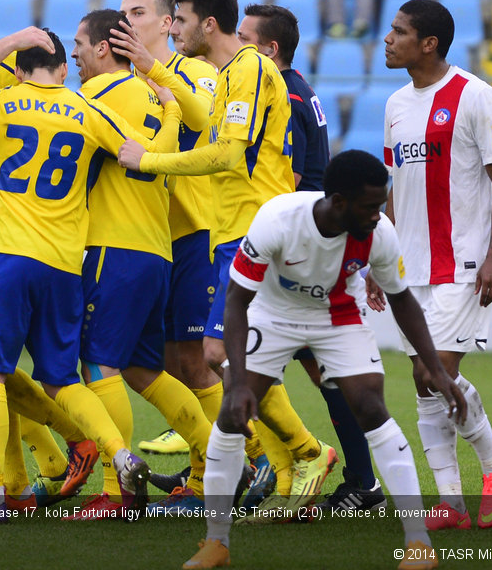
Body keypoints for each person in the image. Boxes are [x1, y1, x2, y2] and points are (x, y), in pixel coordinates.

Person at [0, 29, 184, 521]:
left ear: (18, 70)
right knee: (63, 379)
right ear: (63, 70)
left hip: (10, 258)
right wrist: (170, 108)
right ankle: (121, 455)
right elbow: (145, 160)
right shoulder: (86, 108)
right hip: (66, 265)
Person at [183, 150, 468, 570]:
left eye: (380, 204)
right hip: (273, 313)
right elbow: (237, 302)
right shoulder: (278, 219)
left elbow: (402, 300)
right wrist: (240, 381)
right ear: (338, 202)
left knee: (371, 406)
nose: (378, 214)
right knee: (230, 411)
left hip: (338, 316)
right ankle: (217, 543)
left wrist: (438, 370)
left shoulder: (379, 233)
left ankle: (418, 544)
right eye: (370, 206)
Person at [117, 0, 336, 512]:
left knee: (219, 353)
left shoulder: (251, 68)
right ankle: (282, 471)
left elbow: (227, 155)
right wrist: (155, 69)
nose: (176, 29)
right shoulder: (232, 73)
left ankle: (298, 454)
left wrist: (149, 162)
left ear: (207, 24)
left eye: (182, 21)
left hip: (254, 230)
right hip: (232, 231)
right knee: (239, 354)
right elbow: (206, 123)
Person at [60, 8, 213, 518]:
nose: (75, 54)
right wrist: (171, 111)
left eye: (79, 44)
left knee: (98, 363)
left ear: (104, 47)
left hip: (113, 248)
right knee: (146, 368)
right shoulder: (152, 93)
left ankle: (114, 490)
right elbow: (163, 151)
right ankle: (217, 465)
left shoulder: (95, 98)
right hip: (157, 251)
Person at [236, 3, 386, 517]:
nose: (235, 47)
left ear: (269, 49)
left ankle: (347, 476)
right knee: (300, 368)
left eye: (244, 38)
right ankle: (329, 473)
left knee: (290, 364)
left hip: (305, 248)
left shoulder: (284, 93)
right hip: (312, 244)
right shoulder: (296, 86)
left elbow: (293, 178)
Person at [375, 0, 492, 530]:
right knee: (421, 380)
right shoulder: (393, 105)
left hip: (463, 261)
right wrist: (380, 259)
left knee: (436, 374)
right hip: (411, 269)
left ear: (428, 43)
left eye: (399, 32)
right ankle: (451, 500)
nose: (387, 39)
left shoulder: (475, 95)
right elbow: (396, 187)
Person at [115, 0, 219, 460]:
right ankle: (208, 470)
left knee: (197, 362)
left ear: (165, 23)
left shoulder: (193, 69)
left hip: (198, 232)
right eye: (122, 14)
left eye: (137, 12)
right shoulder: (124, 84)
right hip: (154, 239)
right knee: (165, 363)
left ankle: (254, 458)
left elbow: (203, 120)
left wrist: (153, 70)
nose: (127, 21)